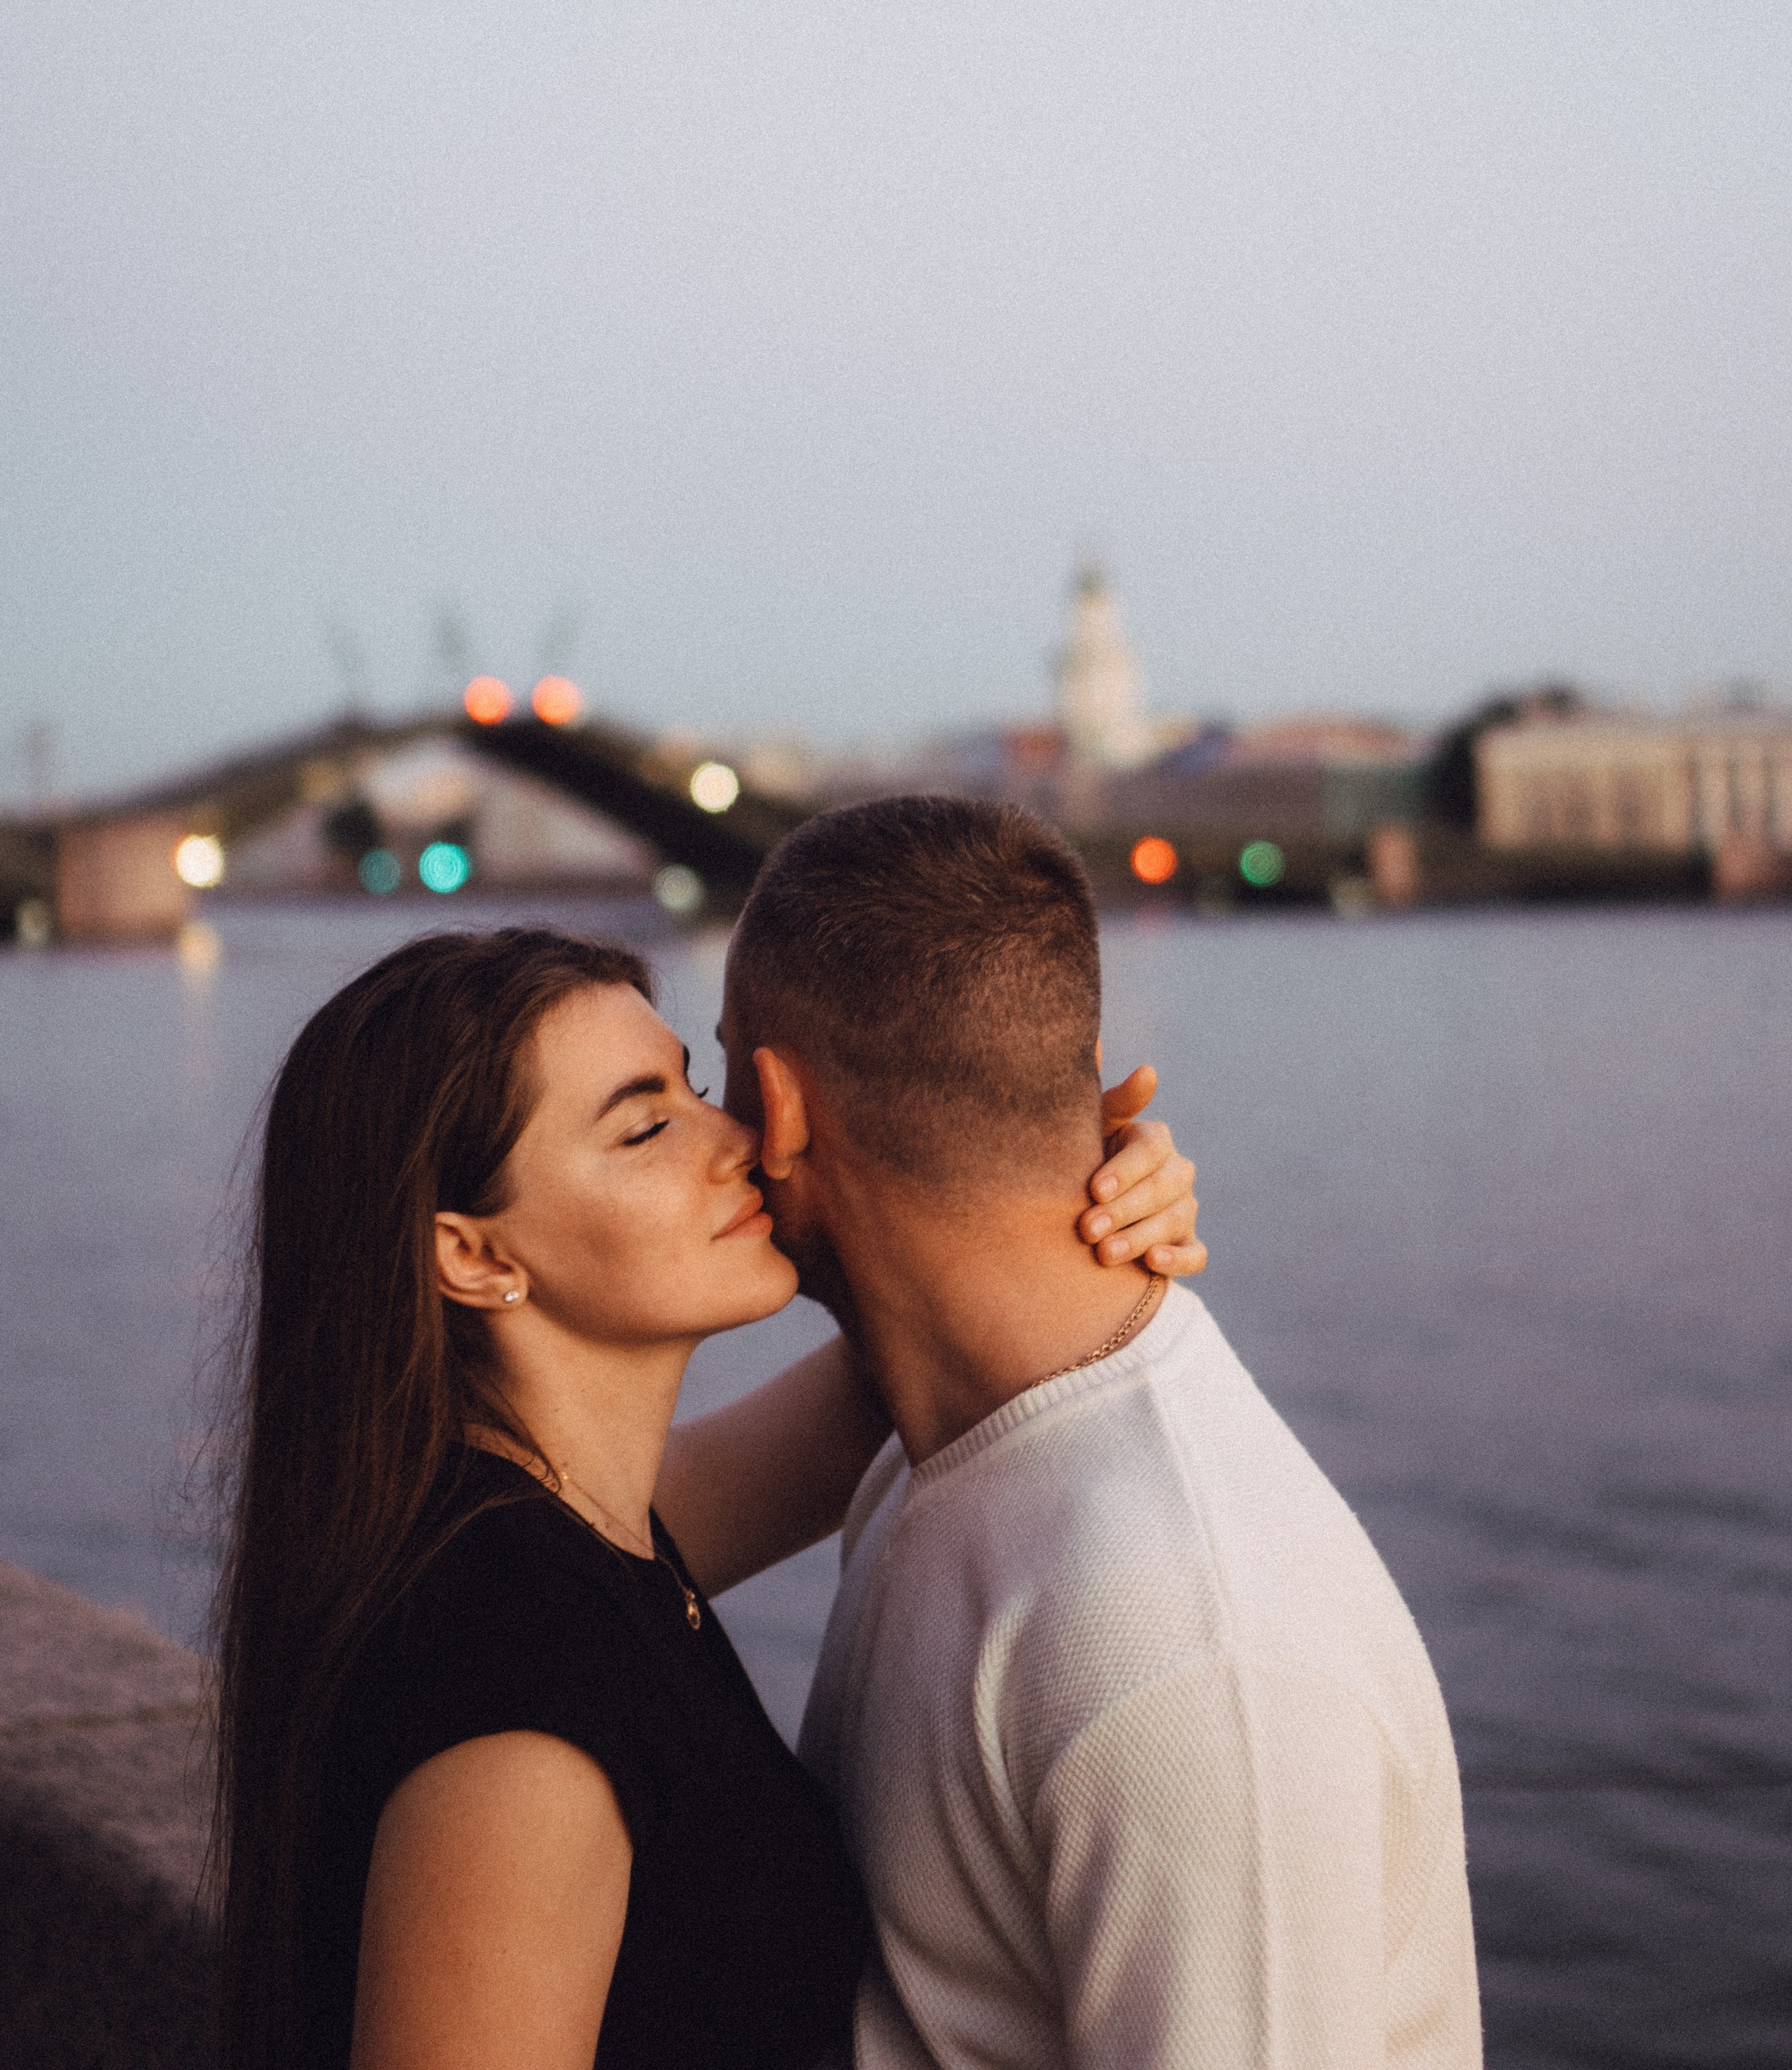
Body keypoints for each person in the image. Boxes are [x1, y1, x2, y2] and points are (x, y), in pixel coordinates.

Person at [213, 922, 1204, 2070]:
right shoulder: (525, 1692)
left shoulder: (558, 1531)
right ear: (475, 1258)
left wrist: (1061, 1187)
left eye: (692, 1084)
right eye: (644, 1127)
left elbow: (933, 1340)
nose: (737, 1139)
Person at [720, 795, 1484, 2070]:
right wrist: (1058, 1186)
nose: (712, 1135)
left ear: (781, 1108)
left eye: (715, 1073)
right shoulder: (931, 1453)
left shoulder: (1197, 1657)